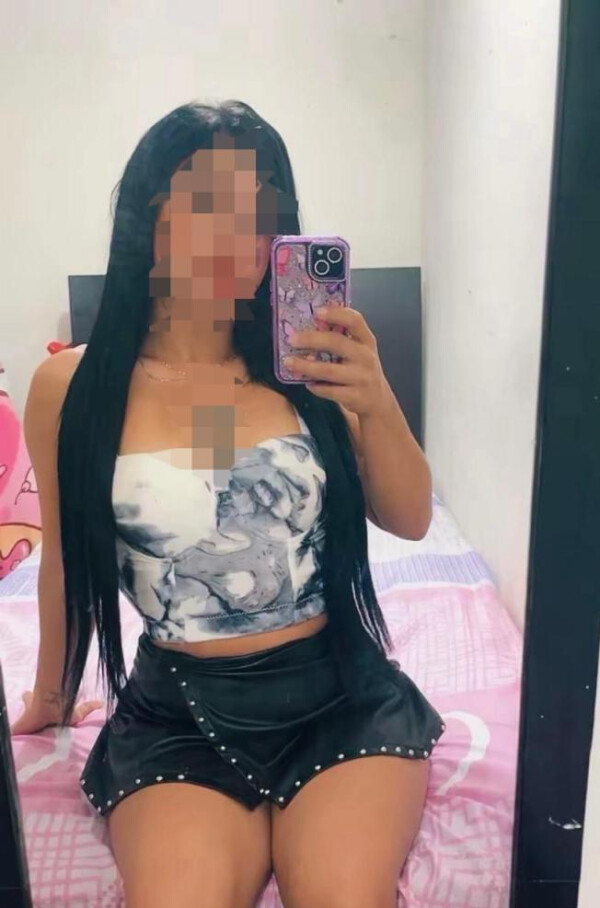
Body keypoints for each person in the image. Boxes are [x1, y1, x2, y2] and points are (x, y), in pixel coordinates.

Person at [12, 100, 444, 908]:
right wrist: (50, 698)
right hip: (180, 709)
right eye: (209, 204)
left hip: (338, 696)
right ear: (149, 217)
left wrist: (377, 398)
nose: (237, 239)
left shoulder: (311, 366)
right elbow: (64, 559)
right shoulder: (72, 388)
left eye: (259, 216)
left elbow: (412, 519)